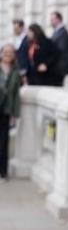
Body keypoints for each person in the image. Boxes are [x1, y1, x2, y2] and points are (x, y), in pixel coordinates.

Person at [0, 44, 21, 182]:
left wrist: (15, 113)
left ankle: (3, 172)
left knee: (3, 142)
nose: (8, 54)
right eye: (5, 52)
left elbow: (16, 94)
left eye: (10, 52)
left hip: (6, 110)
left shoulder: (15, 70)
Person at [49, 11, 68, 85]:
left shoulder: (62, 33)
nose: (51, 22)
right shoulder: (57, 32)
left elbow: (60, 50)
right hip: (58, 66)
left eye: (52, 19)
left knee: (57, 85)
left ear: (58, 19)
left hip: (59, 66)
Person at [11, 19, 28, 84]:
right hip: (18, 70)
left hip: (24, 71)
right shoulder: (17, 39)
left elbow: (26, 56)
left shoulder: (26, 39)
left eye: (16, 28)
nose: (14, 30)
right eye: (14, 28)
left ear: (21, 27)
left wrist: (24, 71)